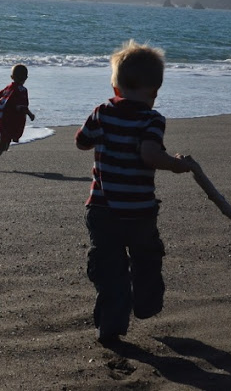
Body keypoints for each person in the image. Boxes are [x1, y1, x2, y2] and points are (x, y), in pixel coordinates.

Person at [75, 39, 192, 346]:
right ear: (154, 90)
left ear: (116, 87)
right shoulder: (152, 119)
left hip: (102, 210)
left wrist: (99, 138)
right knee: (147, 258)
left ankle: (111, 326)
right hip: (139, 211)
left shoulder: (102, 113)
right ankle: (146, 302)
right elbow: (150, 154)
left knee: (110, 268)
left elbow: (82, 141)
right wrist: (175, 165)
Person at [0, 64, 35, 171]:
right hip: (10, 118)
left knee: (8, 135)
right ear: (26, 78)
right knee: (4, 144)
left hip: (1, 116)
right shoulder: (22, 90)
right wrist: (30, 114)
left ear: (11, 77)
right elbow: (22, 106)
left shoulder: (8, 87)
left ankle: (1, 143)